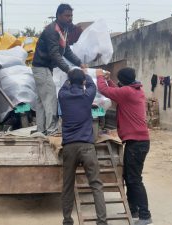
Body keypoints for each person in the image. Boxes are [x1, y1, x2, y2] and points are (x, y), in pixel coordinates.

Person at [96, 68, 152, 225]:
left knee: (134, 179)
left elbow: (105, 91)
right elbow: (117, 90)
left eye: (119, 80)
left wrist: (100, 77)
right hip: (138, 141)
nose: (118, 83)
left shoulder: (127, 92)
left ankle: (145, 215)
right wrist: (109, 80)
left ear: (124, 81)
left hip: (137, 143)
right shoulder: (136, 89)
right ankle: (132, 211)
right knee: (129, 176)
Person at [58, 68, 108, 225]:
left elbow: (65, 85)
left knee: (67, 186)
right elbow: (92, 84)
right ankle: (101, 221)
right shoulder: (87, 96)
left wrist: (72, 78)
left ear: (70, 81)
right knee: (96, 185)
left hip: (69, 146)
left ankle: (67, 220)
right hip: (87, 146)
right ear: (83, 82)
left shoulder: (63, 96)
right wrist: (85, 72)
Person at [32, 3, 86, 135]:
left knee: (41, 101)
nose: (70, 18)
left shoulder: (63, 30)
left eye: (71, 15)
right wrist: (69, 70)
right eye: (67, 15)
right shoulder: (52, 30)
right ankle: (51, 130)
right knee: (50, 98)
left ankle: (41, 129)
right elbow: (54, 54)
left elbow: (66, 50)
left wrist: (80, 63)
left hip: (45, 68)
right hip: (41, 67)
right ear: (58, 16)